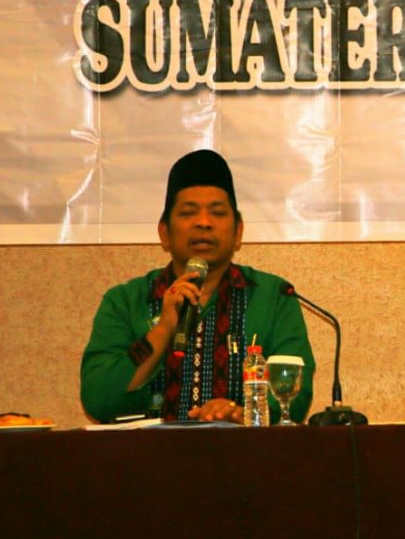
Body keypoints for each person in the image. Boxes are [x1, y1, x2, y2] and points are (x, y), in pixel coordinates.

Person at [80, 149, 315, 424]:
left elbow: (295, 399)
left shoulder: (273, 297)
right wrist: (163, 329)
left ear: (238, 231)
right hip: (145, 461)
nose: (203, 223)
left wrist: (240, 414)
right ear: (164, 233)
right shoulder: (125, 301)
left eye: (217, 213)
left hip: (246, 460)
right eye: (188, 213)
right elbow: (97, 399)